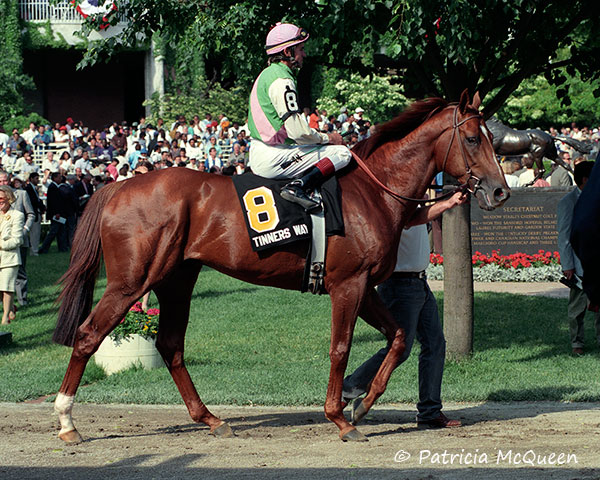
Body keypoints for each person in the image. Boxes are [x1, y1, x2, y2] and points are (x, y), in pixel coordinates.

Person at [343, 191, 468, 429]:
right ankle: (351, 386)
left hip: (419, 283)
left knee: (435, 345)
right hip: (400, 285)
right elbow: (412, 219)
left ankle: (430, 411)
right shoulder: (397, 201)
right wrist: (448, 203)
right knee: (399, 349)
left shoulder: (413, 198)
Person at [247, 23, 351, 210]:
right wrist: (329, 138)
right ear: (287, 52)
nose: (304, 54)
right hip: (273, 155)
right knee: (343, 153)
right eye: (301, 49)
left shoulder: (267, 74)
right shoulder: (282, 79)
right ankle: (298, 187)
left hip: (262, 150)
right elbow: (298, 134)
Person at [557, 161, 600, 355]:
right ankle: (577, 343)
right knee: (577, 309)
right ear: (586, 179)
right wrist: (568, 265)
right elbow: (564, 236)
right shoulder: (568, 202)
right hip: (579, 265)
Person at [0, 185, 24, 325]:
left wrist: (1, 245)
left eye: (1, 198)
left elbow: (17, 239)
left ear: (9, 198)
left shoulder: (17, 215)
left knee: (6, 287)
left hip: (9, 258)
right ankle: (10, 308)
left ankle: (5, 318)